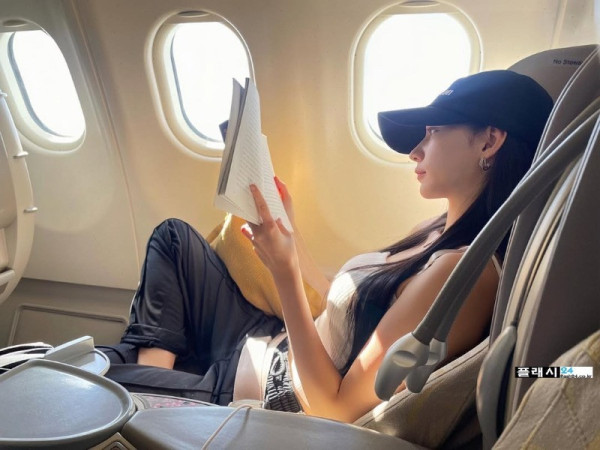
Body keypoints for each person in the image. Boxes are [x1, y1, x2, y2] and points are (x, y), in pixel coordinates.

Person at [102, 70, 553, 423]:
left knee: (95, 381)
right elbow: (346, 307)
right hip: (266, 343)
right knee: (174, 239)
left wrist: (284, 273)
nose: (416, 150)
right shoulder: (438, 231)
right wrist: (289, 229)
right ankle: (161, 383)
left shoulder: (461, 275)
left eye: (432, 131)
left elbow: (333, 410)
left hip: (270, 387)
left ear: (489, 141)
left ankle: (157, 397)